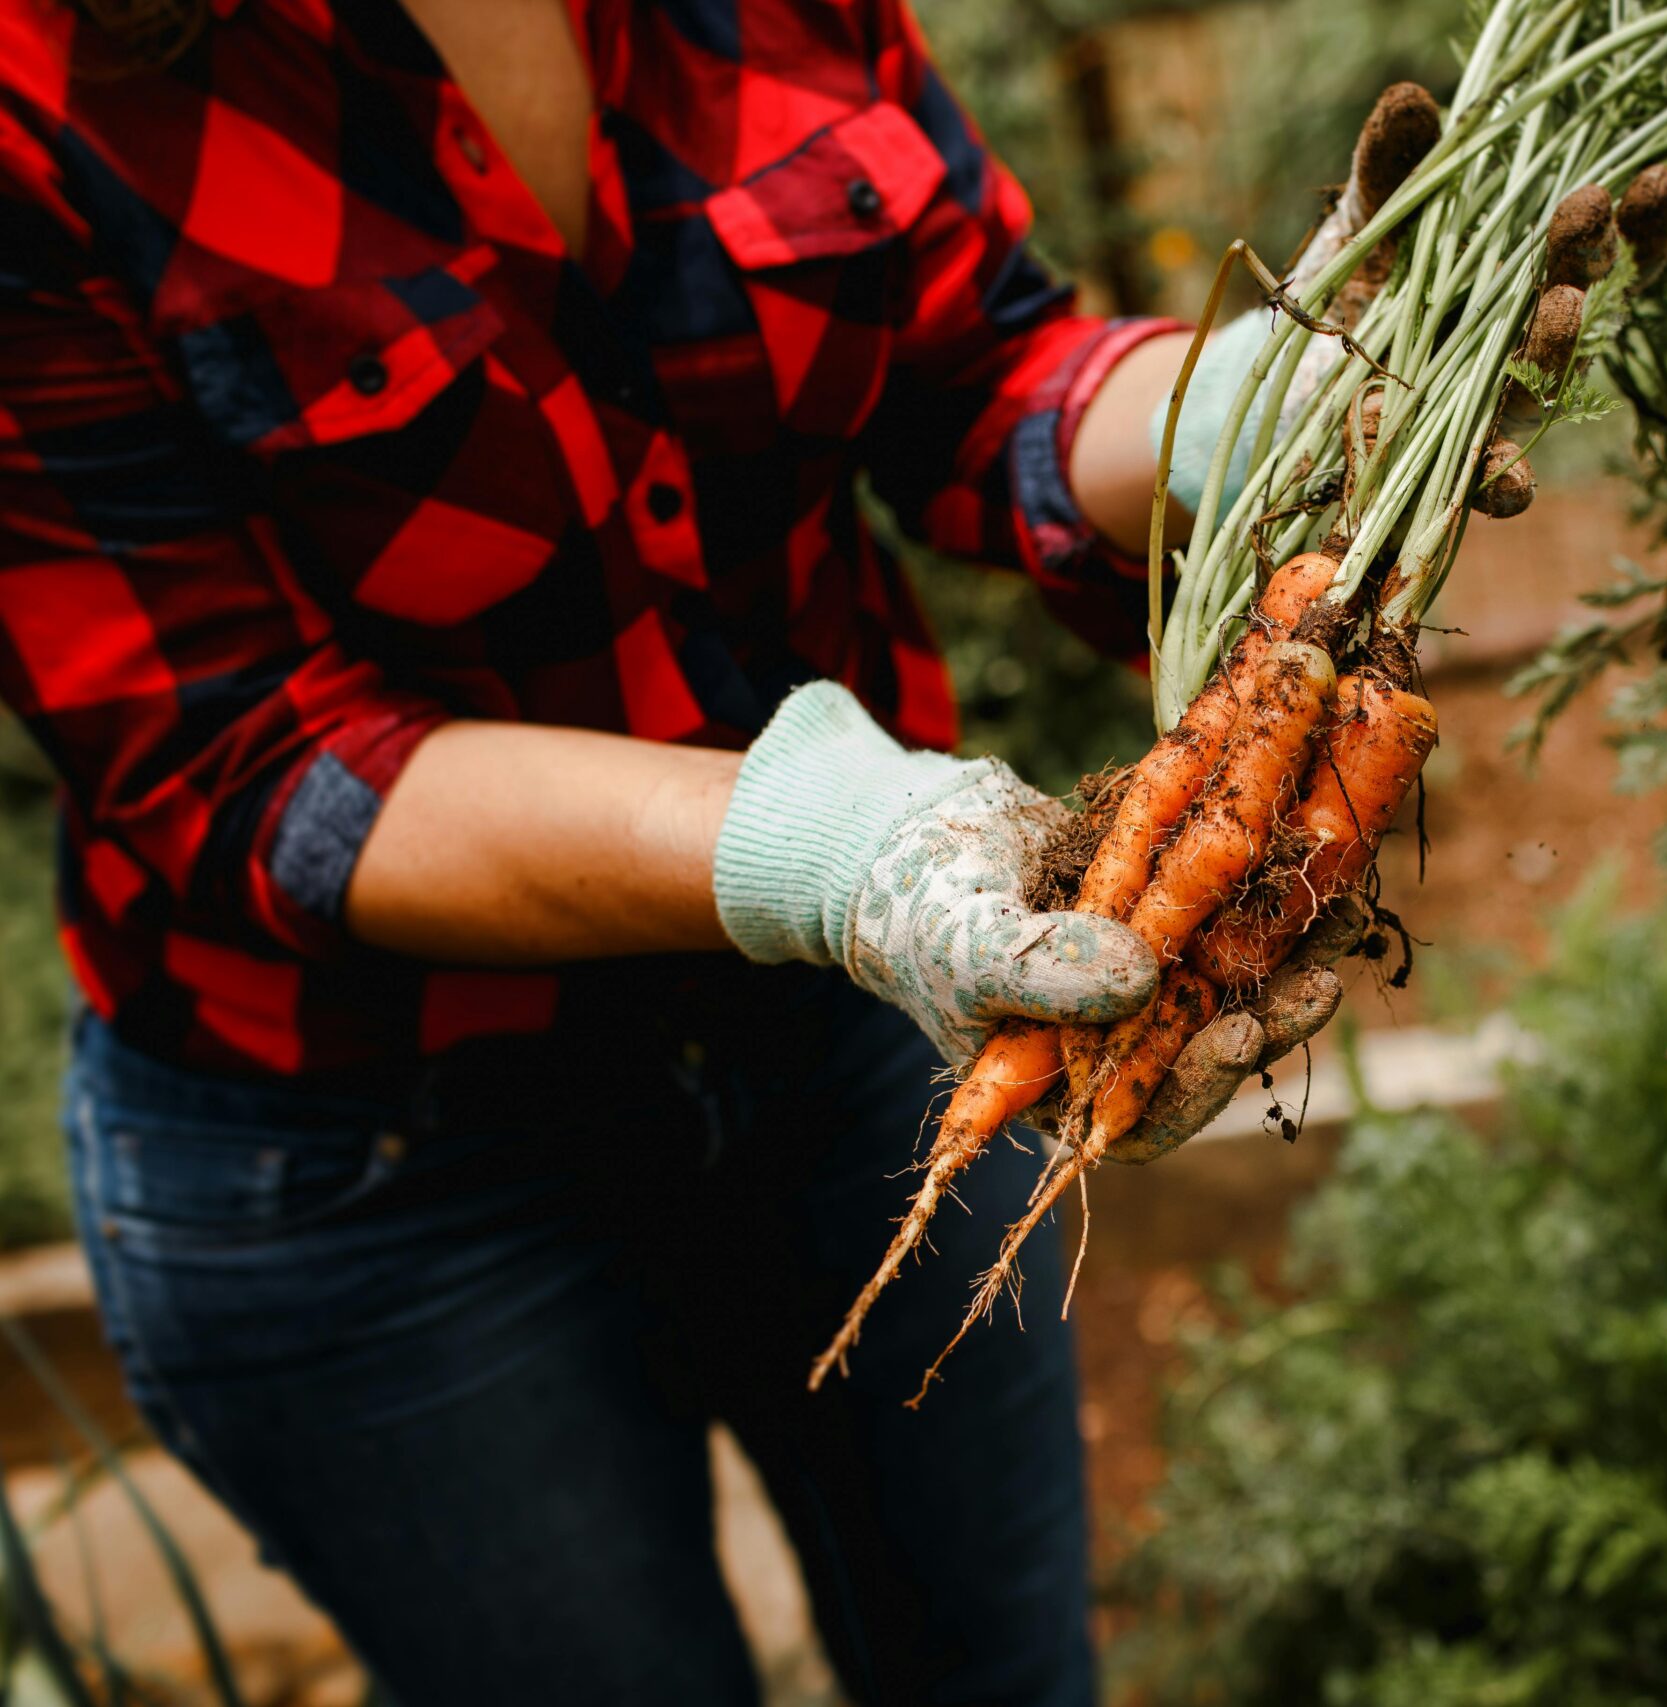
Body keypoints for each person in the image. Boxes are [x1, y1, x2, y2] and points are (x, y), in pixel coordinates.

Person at [0, 0, 1530, 1700]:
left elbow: (971, 365)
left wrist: (1239, 412)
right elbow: (247, 759)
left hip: (854, 1041)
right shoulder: (41, 91)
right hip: (377, 1158)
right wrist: (821, 846)